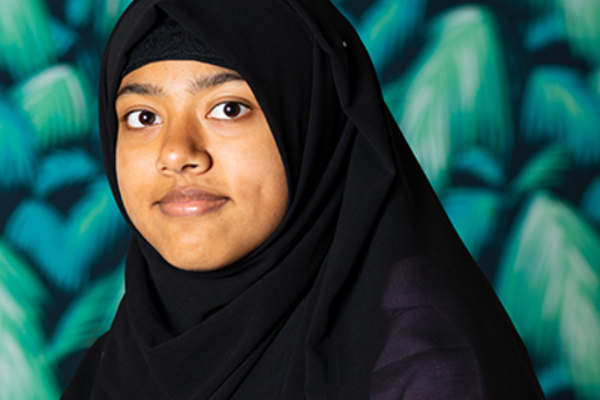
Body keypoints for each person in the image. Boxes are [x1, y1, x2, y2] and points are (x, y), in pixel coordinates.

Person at [63, 0, 546, 398]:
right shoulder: (112, 366)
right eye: (143, 117)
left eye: (229, 108)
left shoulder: (426, 369)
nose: (177, 153)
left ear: (314, 132)